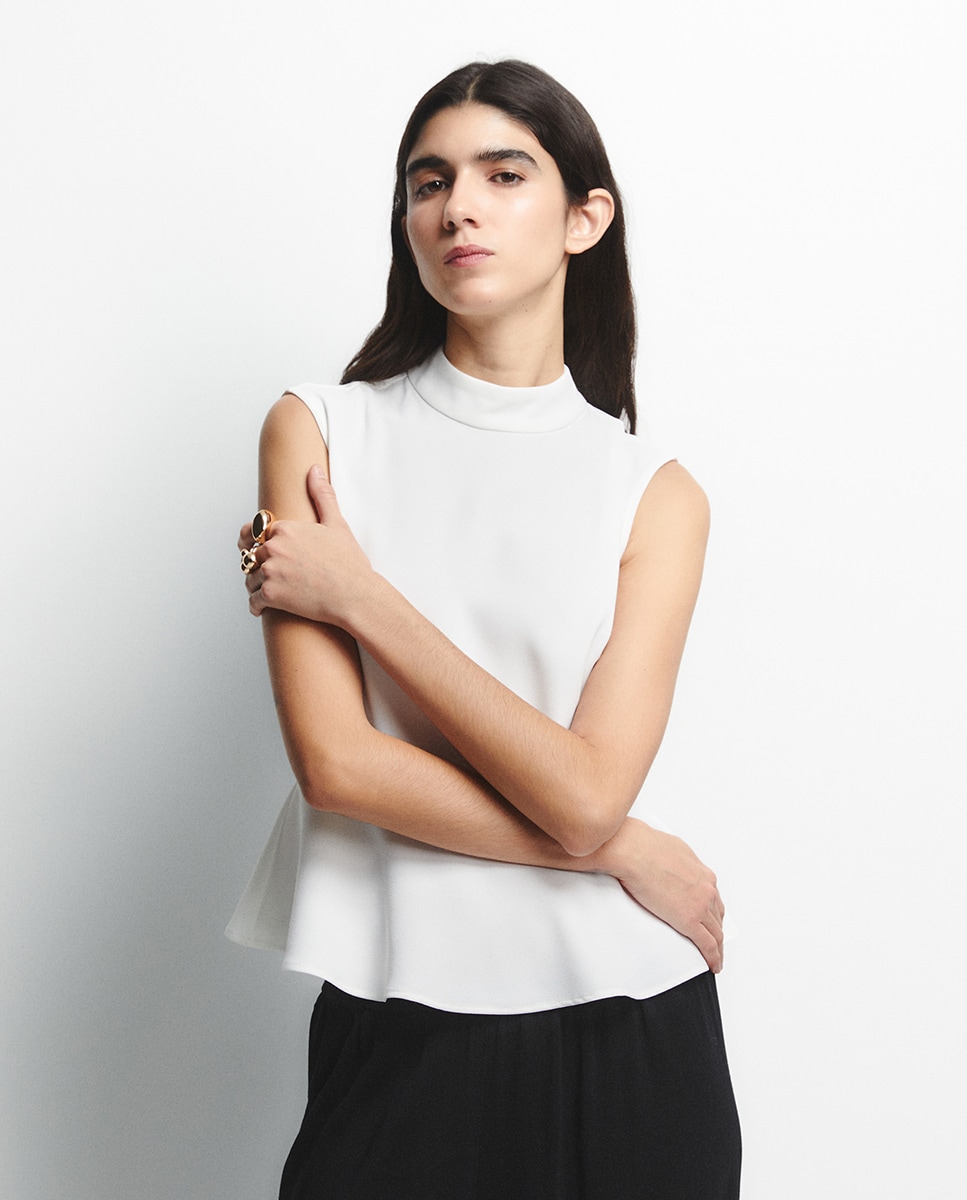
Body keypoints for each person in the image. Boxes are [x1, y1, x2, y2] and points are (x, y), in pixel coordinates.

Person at [227, 59, 741, 1199]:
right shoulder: (319, 433)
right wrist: (622, 849)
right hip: (399, 1023)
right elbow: (338, 766)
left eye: (504, 175)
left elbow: (588, 793)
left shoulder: (654, 491)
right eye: (430, 181)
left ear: (584, 218)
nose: (458, 205)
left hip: (633, 1029)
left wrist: (362, 598)